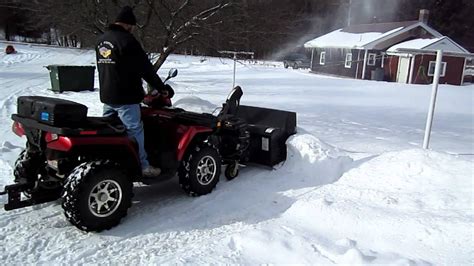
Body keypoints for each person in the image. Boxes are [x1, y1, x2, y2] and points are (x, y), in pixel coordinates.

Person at [96, 6, 169, 178]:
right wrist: (161, 88)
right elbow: (145, 69)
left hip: (107, 95)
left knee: (110, 130)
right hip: (126, 97)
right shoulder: (127, 40)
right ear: (129, 25)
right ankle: (143, 166)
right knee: (135, 130)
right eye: (133, 27)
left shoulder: (101, 40)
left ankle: (110, 162)